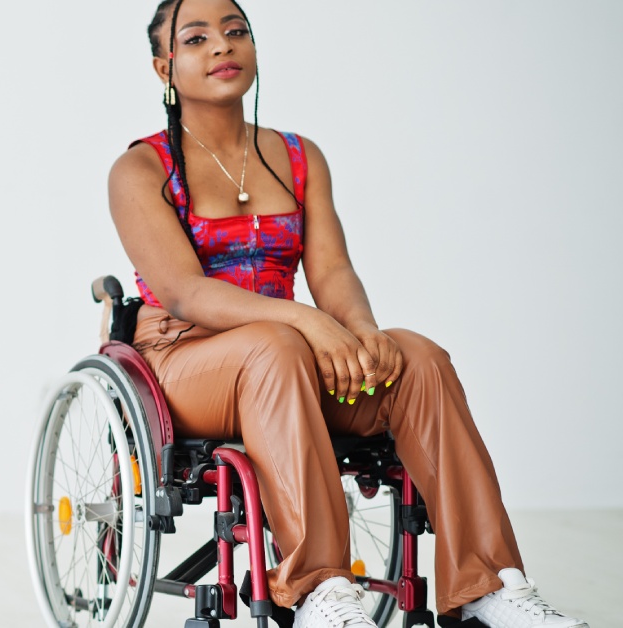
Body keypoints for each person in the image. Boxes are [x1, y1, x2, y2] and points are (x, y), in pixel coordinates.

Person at [106, 1, 589, 627]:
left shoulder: (298, 156)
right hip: (184, 361)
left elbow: (331, 271)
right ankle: (321, 591)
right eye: (197, 38)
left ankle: (488, 584)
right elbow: (184, 292)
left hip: (281, 359)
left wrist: (360, 332)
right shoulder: (140, 168)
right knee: (274, 346)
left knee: (414, 355)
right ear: (163, 67)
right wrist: (308, 324)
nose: (222, 46)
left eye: (236, 32)